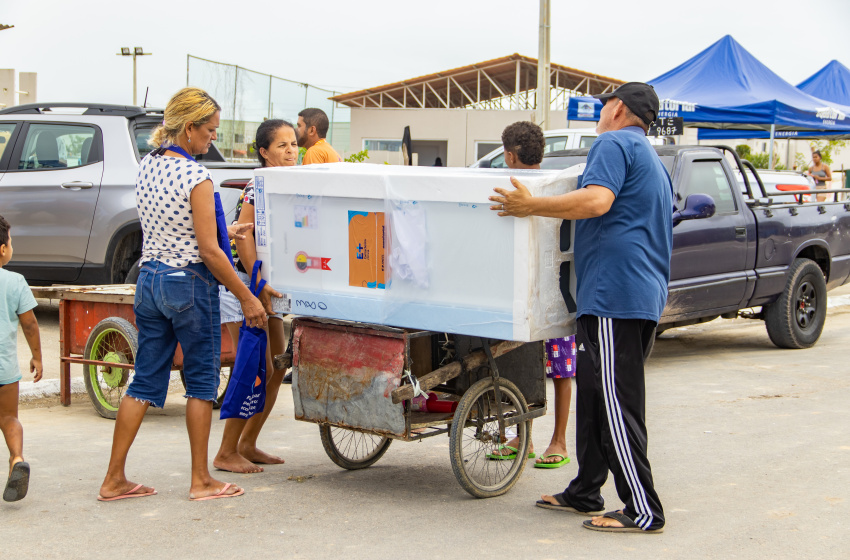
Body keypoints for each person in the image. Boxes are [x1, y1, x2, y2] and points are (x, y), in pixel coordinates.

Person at [490, 82, 671, 533]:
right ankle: (586, 489)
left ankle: (643, 510)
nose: (599, 111)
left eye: (604, 104)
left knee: (615, 401)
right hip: (627, 294)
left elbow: (596, 200)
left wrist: (531, 205)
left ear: (619, 109)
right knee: (593, 394)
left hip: (617, 296)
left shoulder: (614, 142)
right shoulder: (649, 156)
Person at [98, 87, 269, 502]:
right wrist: (245, 296)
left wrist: (226, 230)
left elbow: (173, 226)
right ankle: (201, 480)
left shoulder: (148, 165)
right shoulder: (198, 177)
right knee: (201, 384)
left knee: (143, 382)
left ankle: (114, 479)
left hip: (151, 280)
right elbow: (208, 252)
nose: (212, 138)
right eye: (209, 131)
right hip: (190, 285)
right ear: (188, 128)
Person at [487, 121, 575, 470]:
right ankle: (545, 439)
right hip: (555, 292)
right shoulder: (560, 185)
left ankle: (545, 439)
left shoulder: (516, 188)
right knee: (557, 369)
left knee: (536, 366)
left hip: (533, 294)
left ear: (509, 154)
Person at [213, 119, 297, 473]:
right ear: (263, 153)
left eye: (294, 143)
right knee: (254, 366)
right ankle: (226, 450)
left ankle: (247, 443)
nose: (291, 150)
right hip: (247, 284)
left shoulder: (291, 180)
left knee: (278, 365)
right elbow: (243, 237)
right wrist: (257, 285)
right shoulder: (256, 185)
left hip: (271, 287)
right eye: (282, 145)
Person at [0, 215, 42, 502]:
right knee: (9, 417)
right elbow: (30, 324)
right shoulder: (15, 281)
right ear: (3, 249)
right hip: (4, 370)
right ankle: (16, 459)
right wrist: (37, 356)